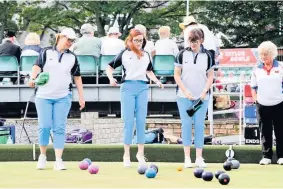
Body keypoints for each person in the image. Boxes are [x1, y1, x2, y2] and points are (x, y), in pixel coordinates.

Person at [28, 28, 85, 170]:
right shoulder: (46, 51)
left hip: (63, 97)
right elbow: (36, 66)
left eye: (72, 41)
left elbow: (77, 77)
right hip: (43, 96)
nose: (70, 43)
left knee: (59, 128)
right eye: (69, 40)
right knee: (44, 126)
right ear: (61, 37)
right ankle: (42, 156)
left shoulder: (72, 57)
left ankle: (58, 160)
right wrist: (32, 78)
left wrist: (81, 97)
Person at [106, 29, 163, 167]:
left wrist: (156, 81)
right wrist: (111, 78)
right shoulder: (125, 53)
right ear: (131, 40)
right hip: (127, 87)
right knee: (128, 121)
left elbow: (149, 71)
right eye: (136, 40)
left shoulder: (147, 54)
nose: (139, 43)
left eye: (141, 40)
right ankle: (126, 154)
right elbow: (109, 66)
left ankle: (140, 153)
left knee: (141, 121)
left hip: (142, 87)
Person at [174, 28, 215, 168]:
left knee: (199, 125)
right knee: (186, 124)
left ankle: (199, 158)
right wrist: (185, 91)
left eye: (195, 42)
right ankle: (187, 158)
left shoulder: (208, 56)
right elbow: (177, 75)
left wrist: (204, 91)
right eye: (191, 41)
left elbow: (210, 76)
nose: (193, 44)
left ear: (201, 40)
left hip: (201, 98)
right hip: (184, 96)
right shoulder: (181, 54)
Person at [250, 41, 283, 165]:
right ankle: (266, 156)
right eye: (261, 54)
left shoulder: (280, 67)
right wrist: (255, 99)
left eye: (266, 54)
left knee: (281, 130)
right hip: (262, 104)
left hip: (279, 103)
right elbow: (253, 86)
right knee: (265, 131)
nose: (263, 57)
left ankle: (281, 156)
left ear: (272, 54)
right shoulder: (256, 69)